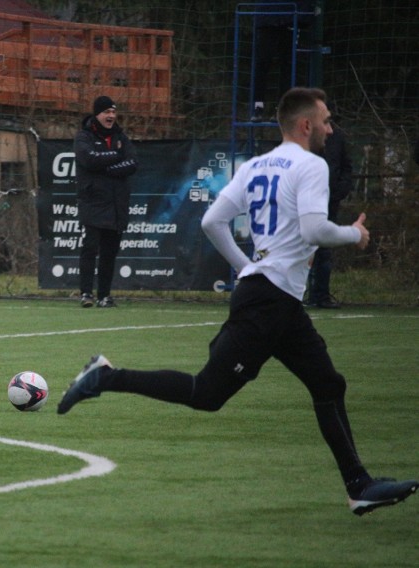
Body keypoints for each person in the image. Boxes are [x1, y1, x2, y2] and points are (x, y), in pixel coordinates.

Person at [58, 88, 418, 516]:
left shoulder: (256, 165)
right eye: (324, 120)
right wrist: (353, 235)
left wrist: (247, 266)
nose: (329, 127)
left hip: (275, 297)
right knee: (206, 393)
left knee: (328, 384)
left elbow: (213, 221)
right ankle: (106, 377)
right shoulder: (312, 165)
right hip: (268, 301)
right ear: (305, 125)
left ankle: (359, 485)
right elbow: (316, 230)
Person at [74, 95, 139, 308]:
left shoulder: (121, 137)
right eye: (106, 112)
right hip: (93, 202)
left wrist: (107, 167)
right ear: (97, 114)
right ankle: (86, 294)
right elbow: (89, 160)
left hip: (117, 203)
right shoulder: (83, 137)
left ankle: (104, 296)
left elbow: (132, 163)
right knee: (90, 248)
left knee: (110, 252)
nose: (111, 116)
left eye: (113, 112)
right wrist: (115, 155)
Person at [306, 123, 353, 308]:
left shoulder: (338, 137)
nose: (329, 130)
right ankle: (296, 293)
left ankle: (320, 295)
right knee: (303, 246)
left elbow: (347, 167)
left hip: (330, 201)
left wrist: (339, 192)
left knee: (324, 248)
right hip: (307, 201)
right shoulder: (304, 140)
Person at [251, 0, 313, 122]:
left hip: (291, 16)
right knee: (262, 62)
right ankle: (258, 106)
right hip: (268, 16)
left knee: (288, 64)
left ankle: (281, 108)